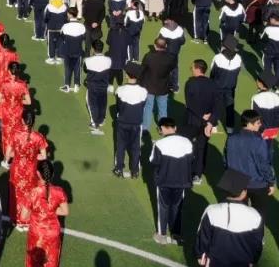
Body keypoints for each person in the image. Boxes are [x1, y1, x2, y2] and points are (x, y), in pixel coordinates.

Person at [194, 169, 264, 266]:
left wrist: (199, 255)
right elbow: (257, 244)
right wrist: (253, 261)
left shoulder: (211, 211)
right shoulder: (256, 216)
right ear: (244, 193)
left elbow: (202, 238)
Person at [149, 117, 194, 245]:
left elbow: (153, 161)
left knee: (163, 206)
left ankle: (161, 234)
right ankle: (176, 235)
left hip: (164, 181)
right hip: (182, 182)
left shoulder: (159, 143)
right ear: (175, 128)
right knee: (177, 207)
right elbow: (191, 160)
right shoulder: (187, 142)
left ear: (163, 128)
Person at [223, 110, 275, 217]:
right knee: (259, 217)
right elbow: (264, 165)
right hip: (257, 183)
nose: (260, 125)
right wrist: (271, 182)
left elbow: (225, 160)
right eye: (258, 123)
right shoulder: (259, 141)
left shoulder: (231, 138)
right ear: (249, 124)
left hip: (235, 181)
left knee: (236, 217)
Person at [22, 160, 68, 267]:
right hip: (53, 233)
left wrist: (37, 212)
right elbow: (65, 211)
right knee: (51, 261)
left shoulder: (33, 193)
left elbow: (23, 216)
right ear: (52, 174)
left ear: (38, 173)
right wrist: (50, 210)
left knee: (34, 261)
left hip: (36, 232)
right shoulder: (59, 191)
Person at [113, 63, 147, 179]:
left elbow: (118, 106)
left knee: (120, 145)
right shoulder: (143, 91)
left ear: (127, 75)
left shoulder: (120, 90)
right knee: (136, 147)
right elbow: (142, 106)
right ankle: (135, 171)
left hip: (123, 121)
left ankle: (119, 168)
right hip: (137, 122)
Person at [140, 37, 177, 130]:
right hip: (163, 86)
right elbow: (173, 69)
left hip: (149, 86)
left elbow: (142, 69)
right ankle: (163, 128)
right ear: (166, 46)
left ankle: (145, 128)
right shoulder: (171, 58)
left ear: (155, 46)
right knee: (163, 108)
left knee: (148, 107)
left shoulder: (149, 56)